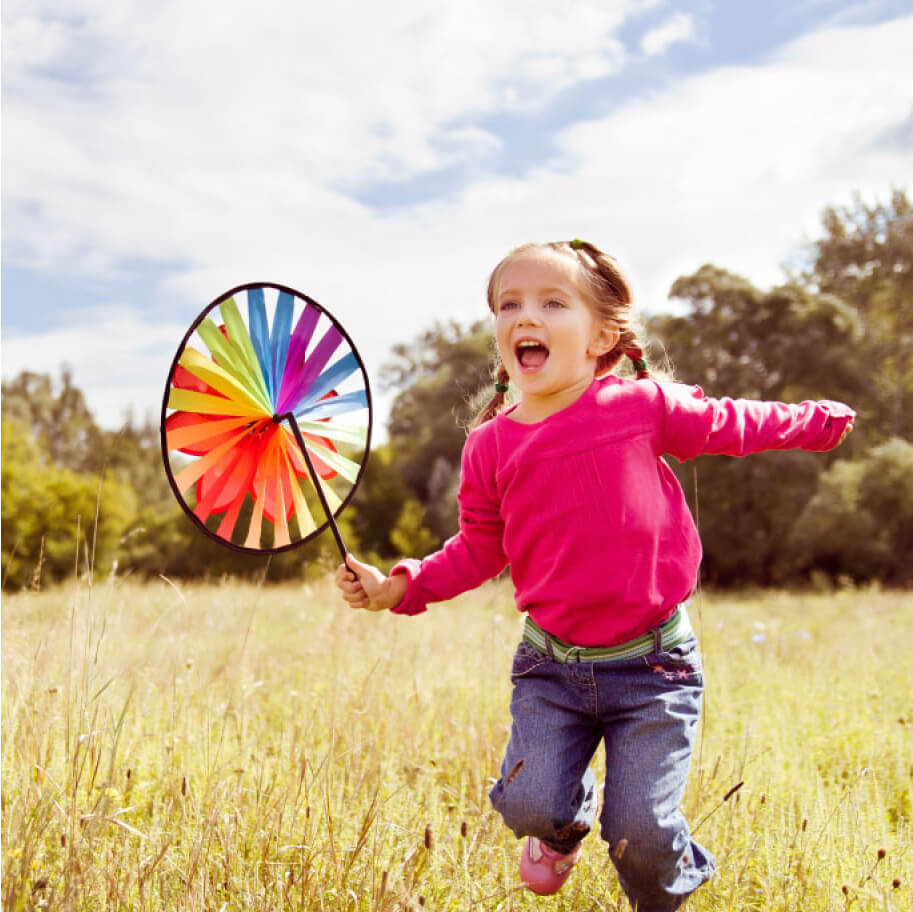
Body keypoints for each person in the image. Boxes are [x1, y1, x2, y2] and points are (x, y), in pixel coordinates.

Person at [336, 239, 855, 910]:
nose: (526, 315)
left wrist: (814, 422)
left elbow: (732, 421)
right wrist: (397, 586)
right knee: (528, 804)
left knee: (639, 832)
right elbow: (475, 548)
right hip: (550, 670)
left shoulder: (640, 408)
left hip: (654, 668)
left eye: (553, 302)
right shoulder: (489, 446)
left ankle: (663, 892)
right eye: (509, 304)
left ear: (601, 336)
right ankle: (559, 829)